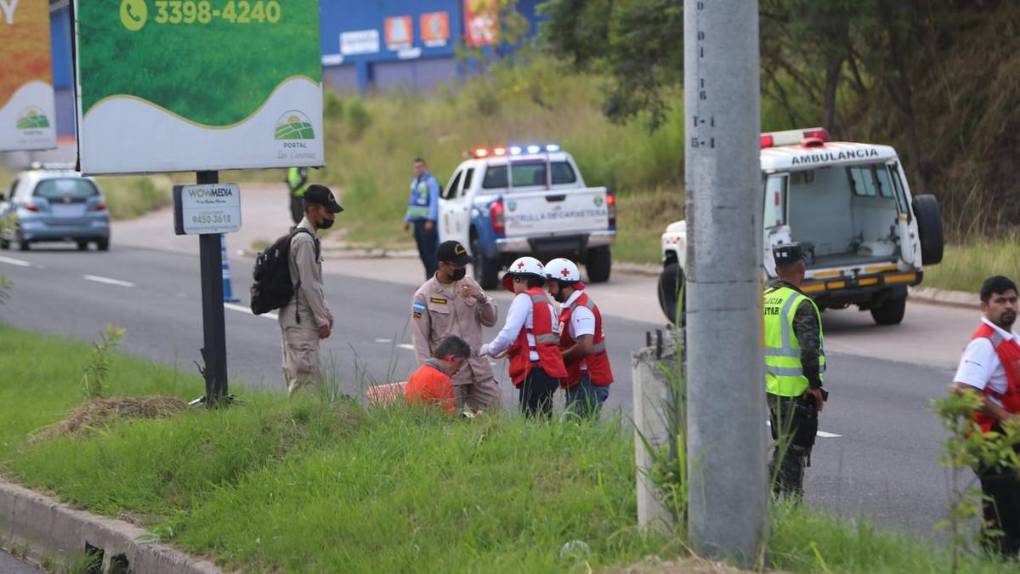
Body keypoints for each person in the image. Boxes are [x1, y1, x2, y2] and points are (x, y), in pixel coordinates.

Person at [953, 275, 1020, 557]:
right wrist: (1006, 418)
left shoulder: (1009, 338)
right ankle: (996, 561)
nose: (1009, 306)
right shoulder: (984, 343)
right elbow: (963, 389)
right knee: (1005, 514)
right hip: (992, 439)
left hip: (1009, 439)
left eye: (1012, 300)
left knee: (1005, 510)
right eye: (1000, 301)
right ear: (985, 306)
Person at [763, 242, 827, 498]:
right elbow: (809, 352)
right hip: (797, 393)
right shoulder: (801, 304)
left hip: (772, 388)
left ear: (777, 270)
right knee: (794, 454)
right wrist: (814, 386)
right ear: (802, 266)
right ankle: (787, 504)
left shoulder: (764, 300)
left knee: (784, 448)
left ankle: (757, 495)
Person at [411, 240, 501, 413]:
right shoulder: (424, 295)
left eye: (464, 265)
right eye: (456, 266)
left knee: (494, 416)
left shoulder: (470, 284)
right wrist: (428, 374)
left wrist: (481, 298)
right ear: (442, 265)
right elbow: (419, 337)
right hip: (450, 375)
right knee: (449, 422)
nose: (461, 269)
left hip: (479, 370)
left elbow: (491, 320)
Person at [480, 257, 567, 418]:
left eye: (514, 279)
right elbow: (533, 335)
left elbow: (509, 333)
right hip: (550, 369)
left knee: (530, 420)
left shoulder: (524, 298)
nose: (513, 284)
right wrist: (508, 350)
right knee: (543, 420)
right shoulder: (545, 301)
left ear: (521, 279)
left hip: (535, 369)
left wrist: (490, 349)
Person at [279, 184, 342, 395]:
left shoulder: (308, 236)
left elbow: (314, 283)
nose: (332, 217)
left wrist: (325, 311)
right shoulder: (304, 240)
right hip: (300, 318)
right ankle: (300, 416)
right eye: (328, 211)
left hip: (300, 317)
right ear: (313, 209)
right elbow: (309, 285)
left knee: (304, 378)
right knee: (305, 381)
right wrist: (322, 320)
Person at [544, 258, 613, 417]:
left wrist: (557, 359)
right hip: (581, 379)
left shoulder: (581, 310)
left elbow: (585, 346)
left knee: (578, 426)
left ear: (565, 284)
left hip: (588, 380)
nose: (549, 291)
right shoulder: (570, 305)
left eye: (552, 286)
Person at [404, 335, 472, 415]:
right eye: (460, 363)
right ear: (451, 358)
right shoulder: (442, 379)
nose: (459, 369)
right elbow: (450, 416)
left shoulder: (418, 372)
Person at [404, 157, 441, 279]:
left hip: (427, 222)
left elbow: (434, 202)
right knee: (422, 251)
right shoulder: (415, 183)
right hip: (417, 221)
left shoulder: (431, 182)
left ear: (425, 167)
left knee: (430, 251)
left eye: (420, 166)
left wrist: (431, 219)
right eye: (416, 167)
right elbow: (412, 202)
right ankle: (429, 276)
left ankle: (434, 277)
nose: (418, 169)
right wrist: (407, 219)